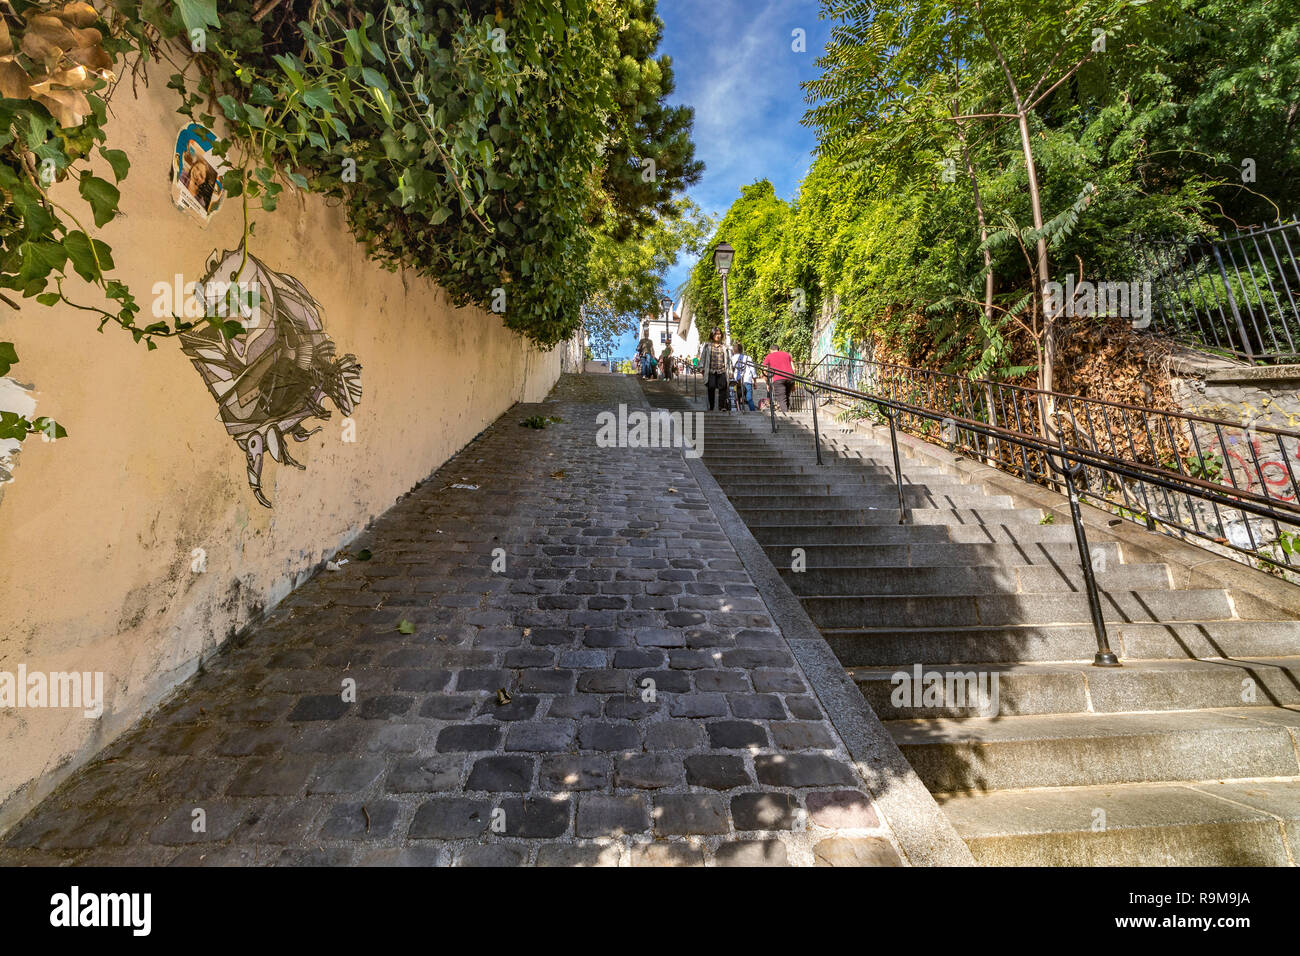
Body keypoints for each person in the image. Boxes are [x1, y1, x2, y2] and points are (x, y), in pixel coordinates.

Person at [698, 327, 731, 411]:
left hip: (722, 370)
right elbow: (703, 357)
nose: (718, 336)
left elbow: (728, 360)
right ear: (712, 335)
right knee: (711, 388)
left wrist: (730, 370)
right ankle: (711, 406)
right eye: (716, 334)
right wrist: (701, 367)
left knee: (723, 388)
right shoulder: (707, 346)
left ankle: (721, 407)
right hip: (711, 371)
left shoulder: (724, 347)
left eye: (719, 334)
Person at [732, 342, 757, 412]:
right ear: (742, 350)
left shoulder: (732, 358)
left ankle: (738, 411)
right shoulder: (748, 357)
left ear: (734, 351)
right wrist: (755, 381)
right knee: (749, 398)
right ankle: (753, 412)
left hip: (736, 381)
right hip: (747, 380)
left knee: (736, 397)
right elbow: (752, 370)